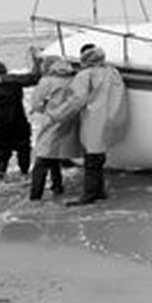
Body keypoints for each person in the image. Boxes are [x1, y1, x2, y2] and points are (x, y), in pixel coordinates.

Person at [47, 44, 128, 206]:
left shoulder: (85, 75)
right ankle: (99, 191)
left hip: (94, 119)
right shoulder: (113, 73)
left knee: (91, 159)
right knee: (99, 157)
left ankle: (89, 195)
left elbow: (77, 100)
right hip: (111, 118)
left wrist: (57, 114)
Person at [29, 56, 81, 200]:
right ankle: (57, 186)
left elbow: (37, 104)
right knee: (55, 154)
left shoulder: (46, 81)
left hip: (52, 121)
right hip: (70, 120)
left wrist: (44, 109)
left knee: (42, 160)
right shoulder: (74, 78)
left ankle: (35, 197)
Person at [0, 61, 39, 180]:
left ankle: (1, 172)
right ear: (5, 70)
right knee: (23, 147)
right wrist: (37, 61)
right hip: (18, 121)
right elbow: (34, 79)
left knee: (3, 148)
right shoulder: (13, 80)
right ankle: (24, 173)